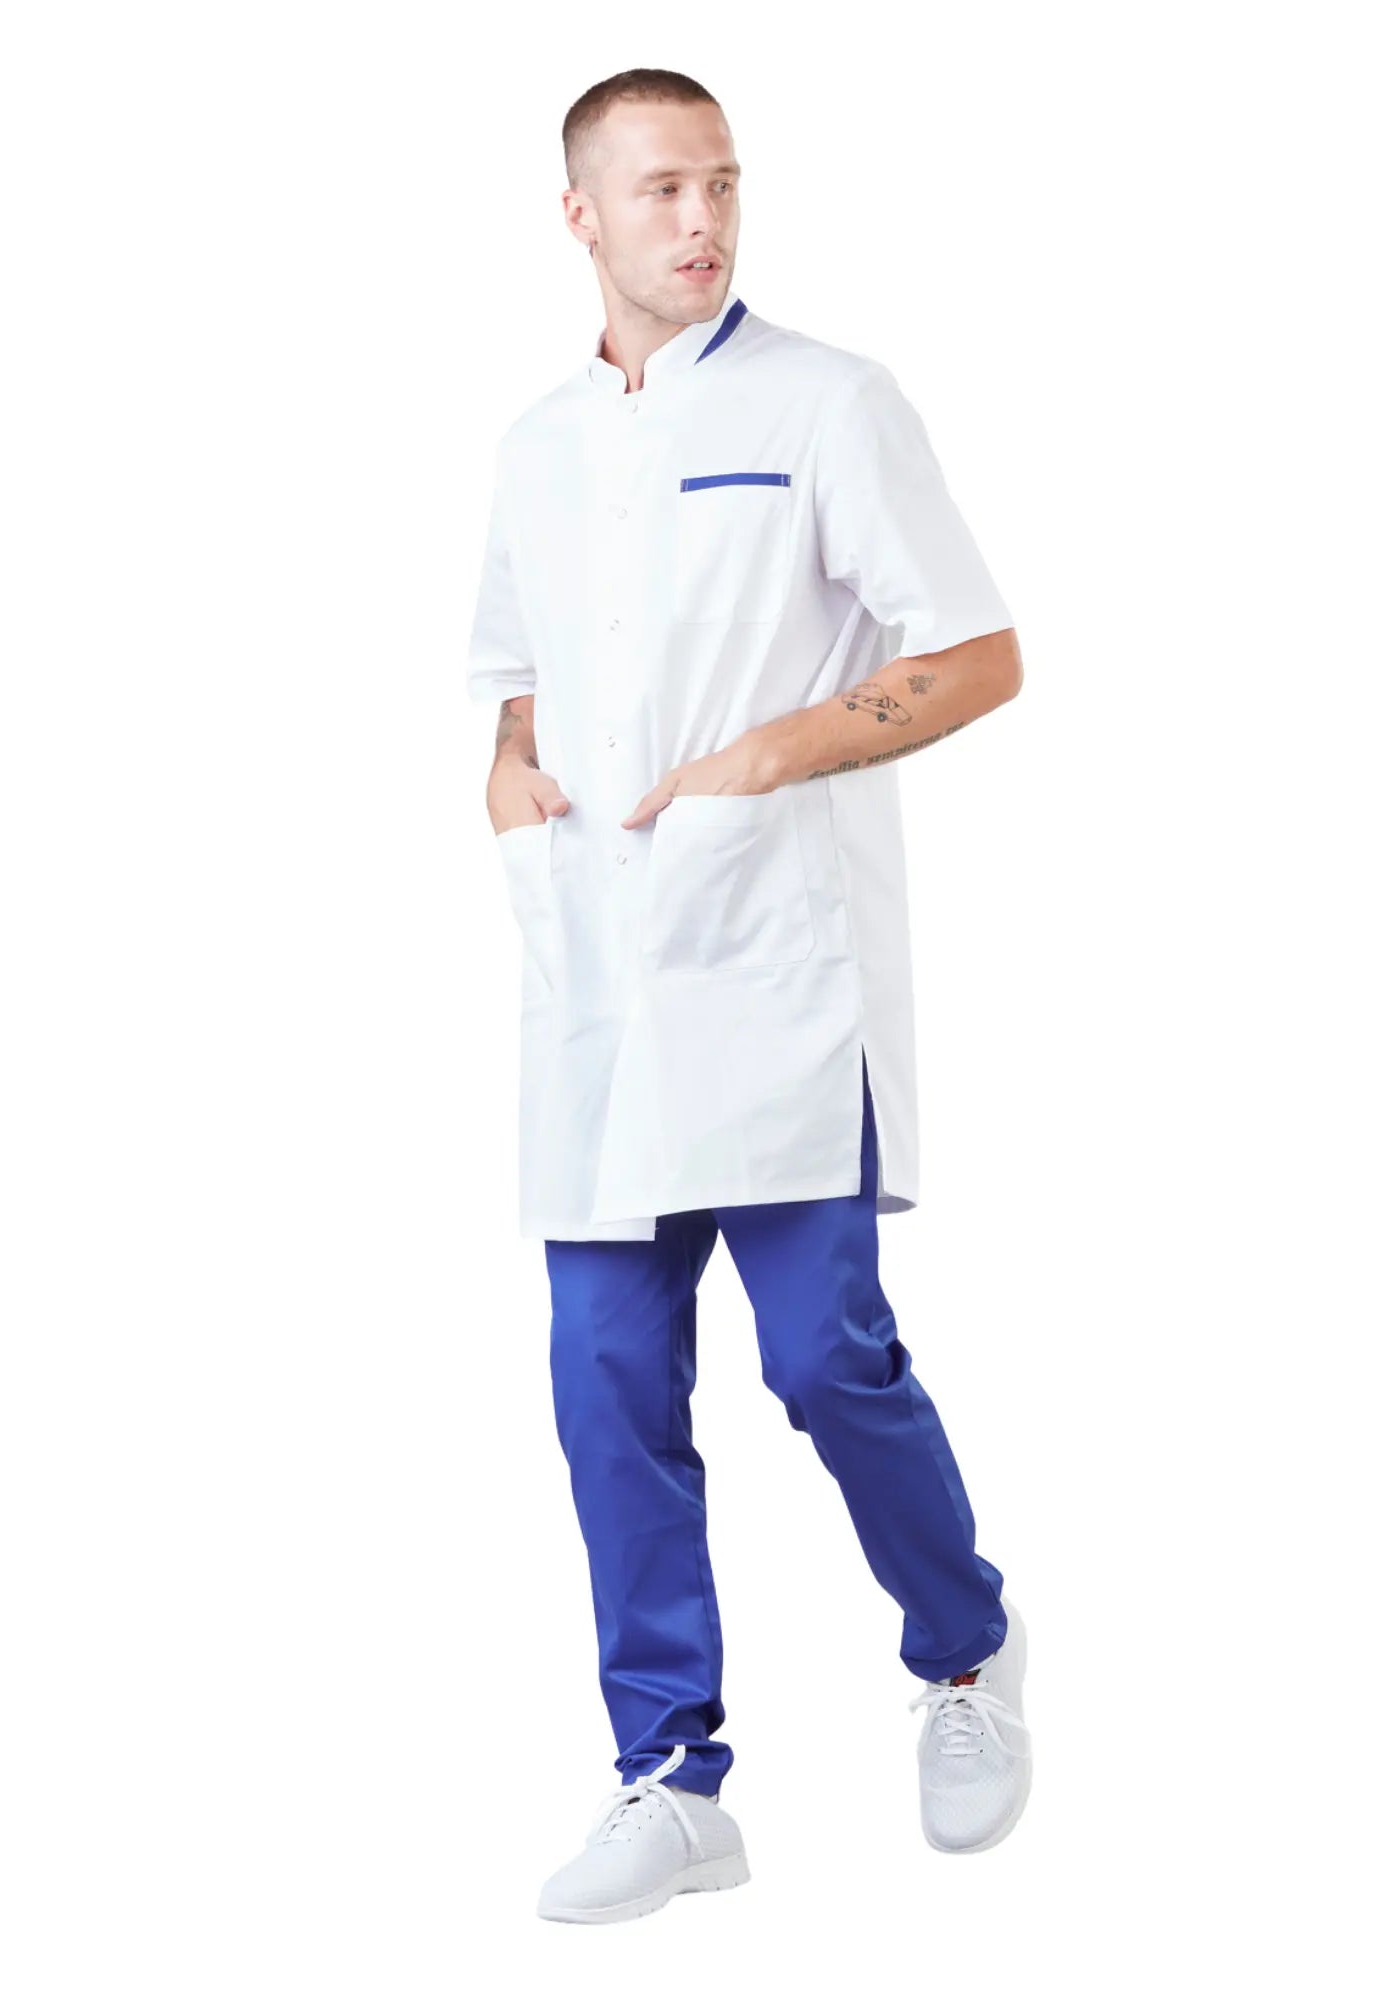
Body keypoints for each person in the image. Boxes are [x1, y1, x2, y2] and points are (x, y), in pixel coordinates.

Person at [464, 69, 1032, 1925]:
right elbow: (516, 674)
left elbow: (978, 653)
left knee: (819, 1357)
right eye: (659, 191)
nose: (699, 219)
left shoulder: (825, 403)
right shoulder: (537, 445)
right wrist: (511, 779)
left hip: (776, 972)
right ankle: (672, 1777)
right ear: (580, 216)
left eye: (720, 184)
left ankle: (966, 1650)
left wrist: (770, 752)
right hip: (599, 989)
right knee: (606, 1381)